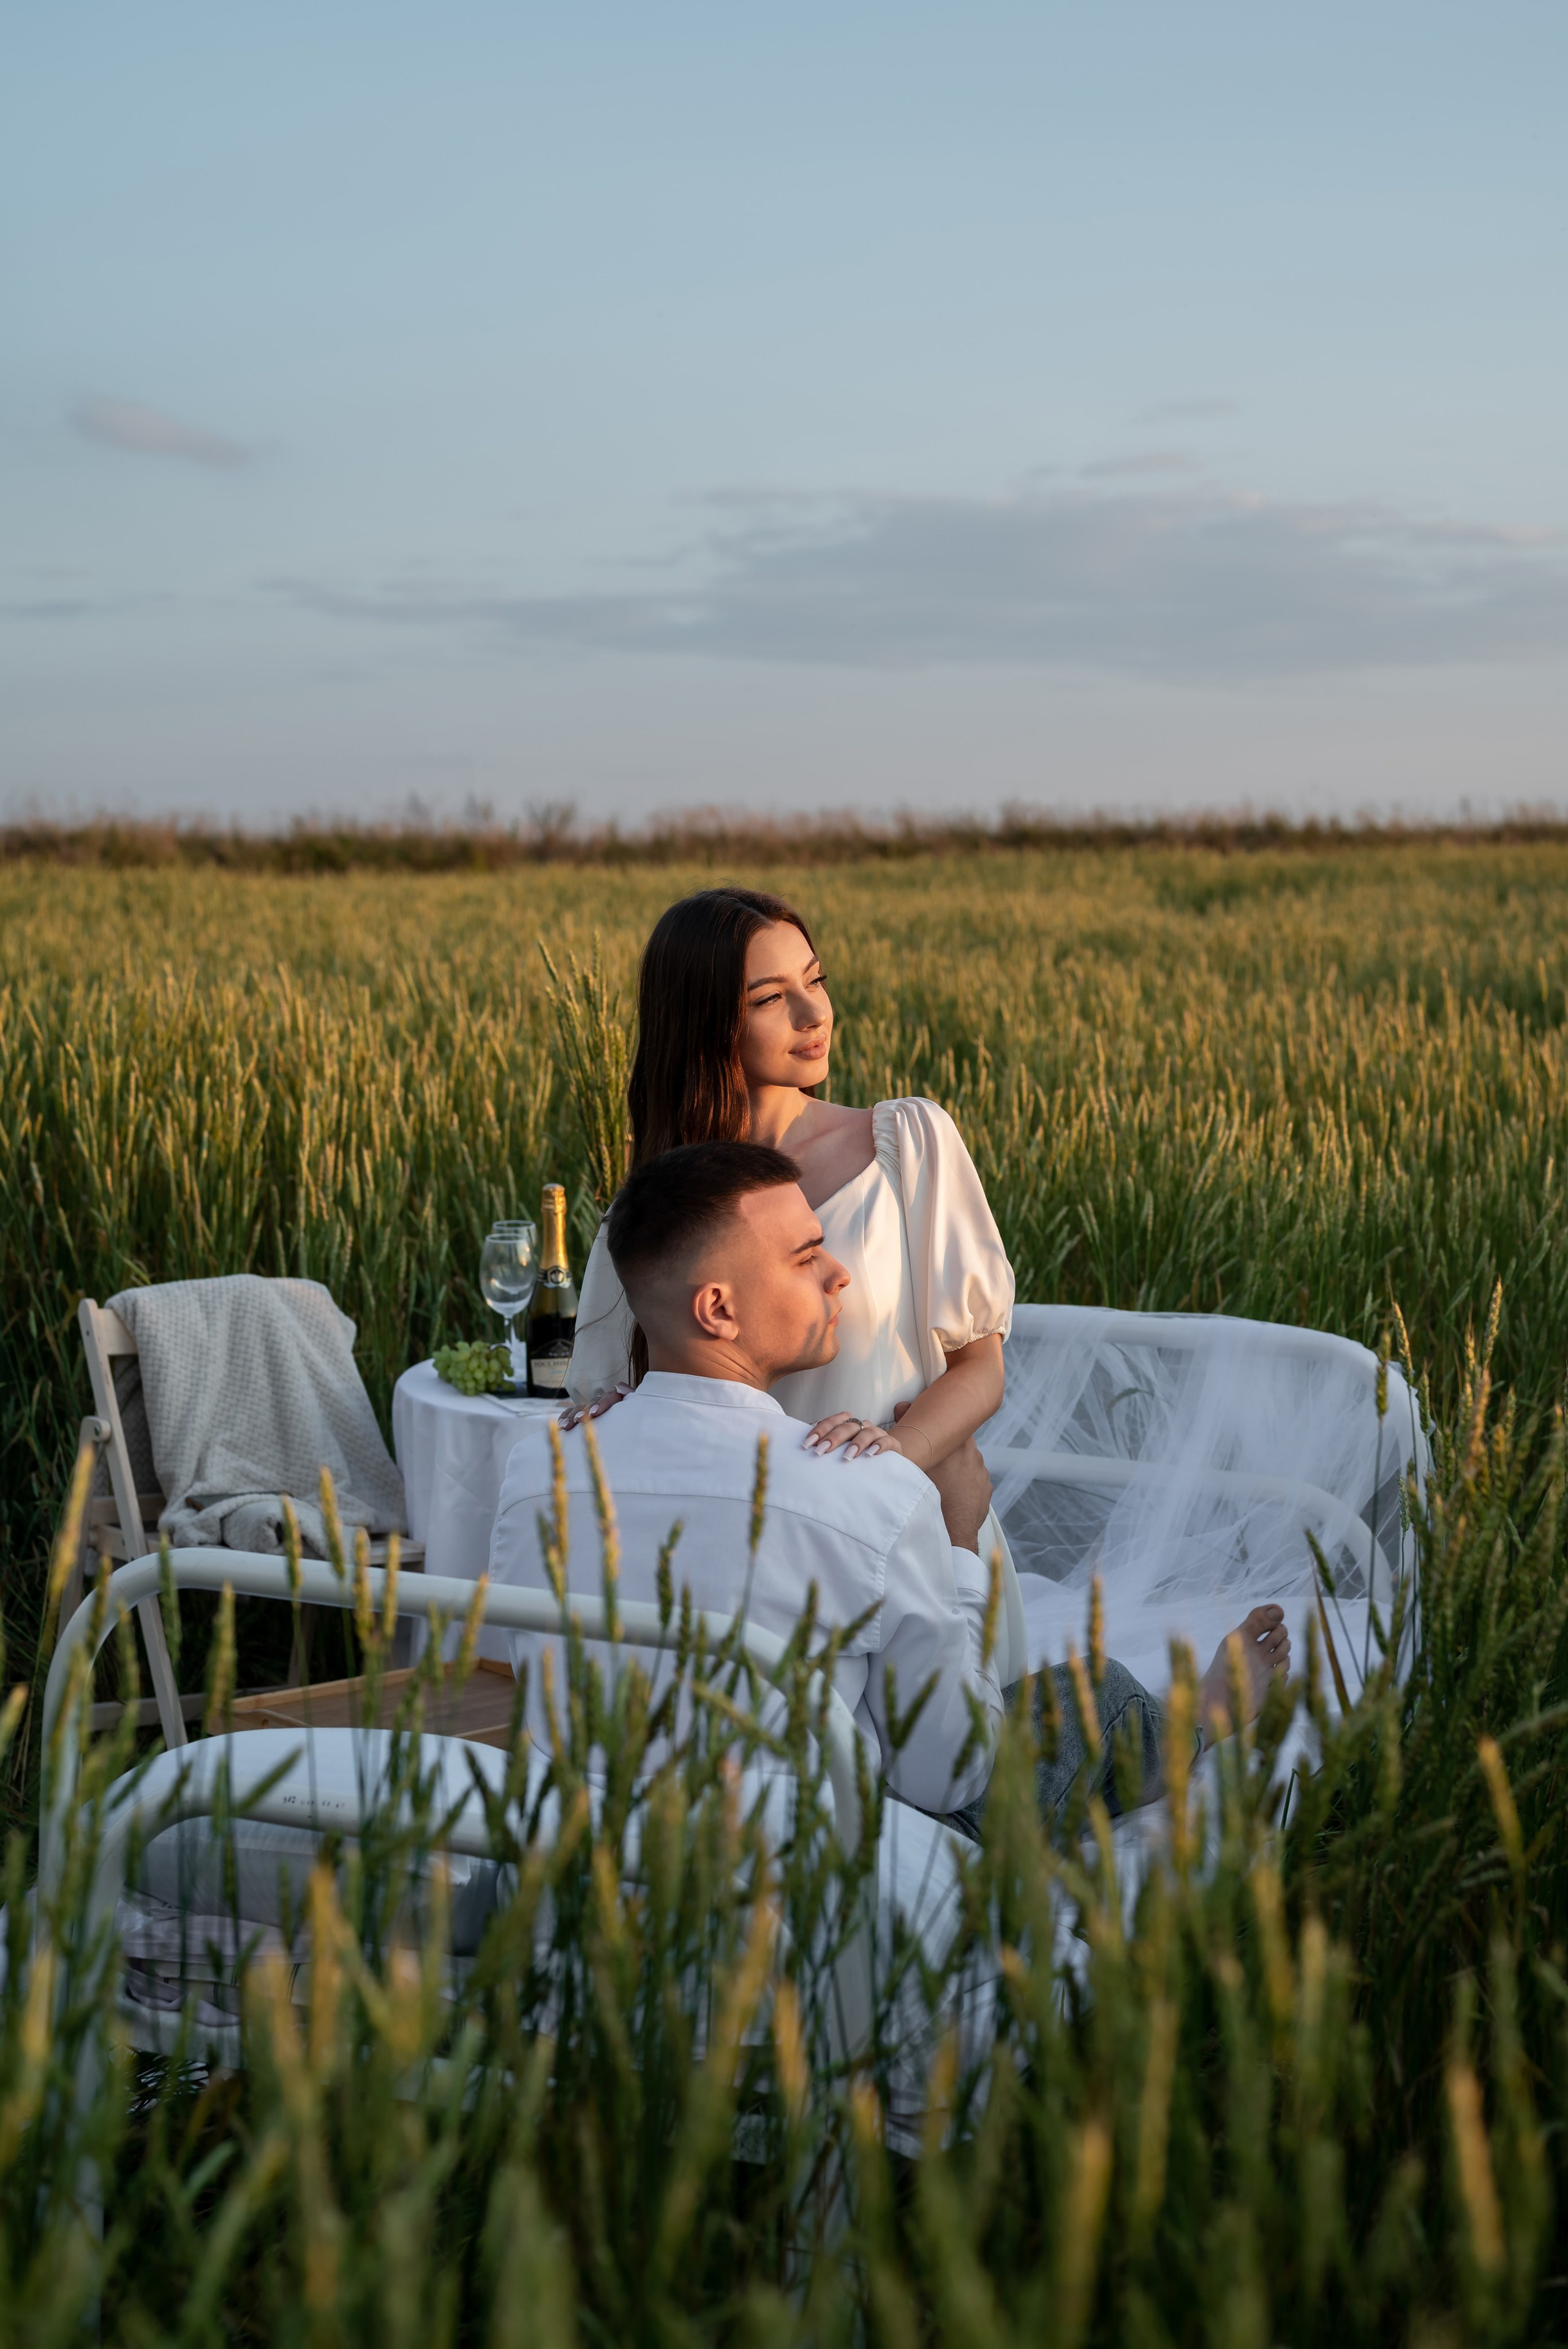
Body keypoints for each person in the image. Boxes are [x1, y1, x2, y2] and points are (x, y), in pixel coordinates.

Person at [490, 1142, 1291, 1825]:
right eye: (806, 1257)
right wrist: (958, 1545)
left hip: (581, 1854)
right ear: (718, 1309)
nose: (839, 1274)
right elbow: (950, 1778)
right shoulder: (869, 1492)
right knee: (1093, 1698)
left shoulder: (536, 1464)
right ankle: (1196, 1723)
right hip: (804, 1887)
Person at [564, 885, 1031, 1680]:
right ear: (708, 1021)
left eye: (815, 981)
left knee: (953, 1779)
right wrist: (619, 1406)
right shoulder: (662, 1203)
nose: (815, 1015)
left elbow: (980, 1366)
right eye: (773, 999)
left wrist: (898, 1460)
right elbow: (612, 1397)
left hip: (915, 1534)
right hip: (749, 1574)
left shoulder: (908, 1144)